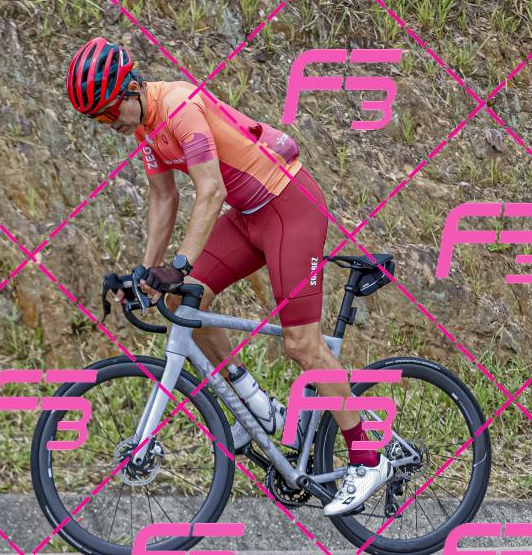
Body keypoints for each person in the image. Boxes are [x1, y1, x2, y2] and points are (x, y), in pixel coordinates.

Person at [65, 37, 392, 516]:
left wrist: (179, 264)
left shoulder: (179, 108)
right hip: (248, 216)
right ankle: (256, 407)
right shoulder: (146, 128)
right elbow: (163, 198)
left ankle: (368, 458)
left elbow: (211, 190)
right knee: (181, 303)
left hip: (290, 207)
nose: (108, 123)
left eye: (109, 111)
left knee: (302, 344)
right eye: (97, 119)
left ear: (131, 87)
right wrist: (146, 274)